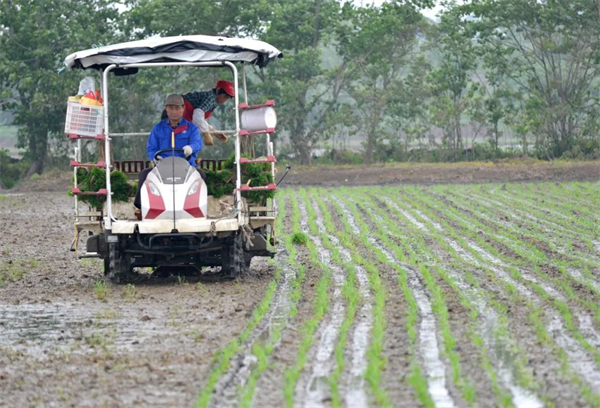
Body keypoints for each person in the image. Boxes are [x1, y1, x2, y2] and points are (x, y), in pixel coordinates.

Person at [134, 94, 204, 209]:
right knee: (144, 174)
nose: (174, 112)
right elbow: (151, 148)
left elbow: (197, 143)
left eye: (177, 108)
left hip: (186, 168)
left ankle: (198, 208)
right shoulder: (158, 128)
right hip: (162, 168)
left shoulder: (191, 128)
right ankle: (142, 208)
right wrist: (155, 158)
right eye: (171, 108)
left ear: (183, 109)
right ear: (166, 109)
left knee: (201, 176)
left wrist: (191, 148)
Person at [161, 79, 235, 146]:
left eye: (228, 97)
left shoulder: (212, 100)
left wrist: (213, 132)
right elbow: (197, 115)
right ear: (218, 90)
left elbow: (198, 119)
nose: (225, 99)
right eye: (225, 96)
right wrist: (206, 134)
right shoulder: (210, 98)